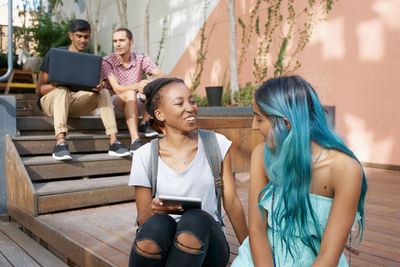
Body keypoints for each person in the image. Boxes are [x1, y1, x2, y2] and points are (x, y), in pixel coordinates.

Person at [232, 75, 368, 266]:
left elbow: (329, 255)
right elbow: (257, 229)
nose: (254, 126)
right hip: (261, 258)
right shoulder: (261, 155)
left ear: (286, 124)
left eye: (259, 119)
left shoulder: (346, 170)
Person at [128, 77, 248, 266]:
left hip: (208, 246)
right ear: (160, 114)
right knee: (159, 223)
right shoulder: (144, 155)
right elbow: (144, 219)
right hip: (165, 244)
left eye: (192, 101)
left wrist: (248, 251)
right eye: (179, 103)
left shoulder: (216, 144)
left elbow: (232, 203)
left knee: (195, 219)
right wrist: (153, 209)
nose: (190, 108)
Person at [36, 19, 130, 160]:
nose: (83, 40)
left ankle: (114, 142)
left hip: (75, 104)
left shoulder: (90, 60)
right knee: (63, 89)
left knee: (103, 92)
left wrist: (98, 87)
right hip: (51, 102)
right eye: (79, 36)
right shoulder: (56, 54)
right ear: (71, 36)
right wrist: (62, 84)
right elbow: (40, 89)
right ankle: (60, 143)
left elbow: (92, 87)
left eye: (86, 37)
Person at [101, 28, 164, 153]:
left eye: (122, 40)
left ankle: (144, 123)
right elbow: (117, 89)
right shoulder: (107, 61)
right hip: (115, 105)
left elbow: (162, 75)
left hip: (136, 103)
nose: (118, 44)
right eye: (115, 41)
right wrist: (138, 85)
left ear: (131, 41)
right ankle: (135, 140)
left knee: (156, 86)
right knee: (130, 93)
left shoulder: (141, 59)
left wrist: (147, 84)